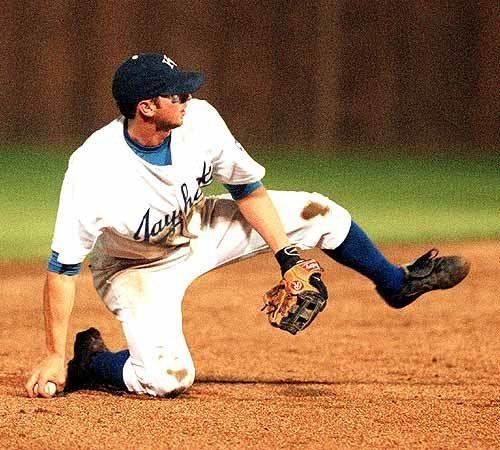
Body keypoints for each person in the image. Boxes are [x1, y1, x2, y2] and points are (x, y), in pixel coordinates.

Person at [26, 53, 470, 398]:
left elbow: (247, 190)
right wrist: (52, 353)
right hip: (133, 267)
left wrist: (287, 256)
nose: (188, 98)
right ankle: (89, 363)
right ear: (146, 107)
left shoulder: (199, 121)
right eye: (176, 95)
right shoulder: (94, 169)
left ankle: (395, 283)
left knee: (319, 212)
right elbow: (62, 268)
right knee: (167, 379)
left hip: (198, 227)